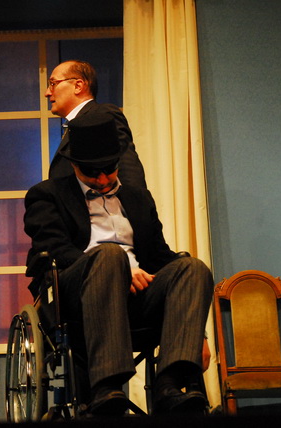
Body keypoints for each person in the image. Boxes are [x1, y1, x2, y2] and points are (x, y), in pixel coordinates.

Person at [23, 111, 214, 417]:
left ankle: (169, 385)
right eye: (92, 172)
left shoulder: (138, 198)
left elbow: (161, 257)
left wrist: (200, 333)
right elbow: (54, 249)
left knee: (192, 268)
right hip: (76, 296)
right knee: (110, 255)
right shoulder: (47, 195)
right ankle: (106, 387)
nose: (102, 180)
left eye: (109, 170)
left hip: (137, 298)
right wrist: (120, 269)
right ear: (74, 165)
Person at [46, 59, 147, 189]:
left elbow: (126, 167)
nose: (47, 93)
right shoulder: (73, 124)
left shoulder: (102, 115)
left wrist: (134, 201)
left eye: (53, 84)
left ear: (78, 86)